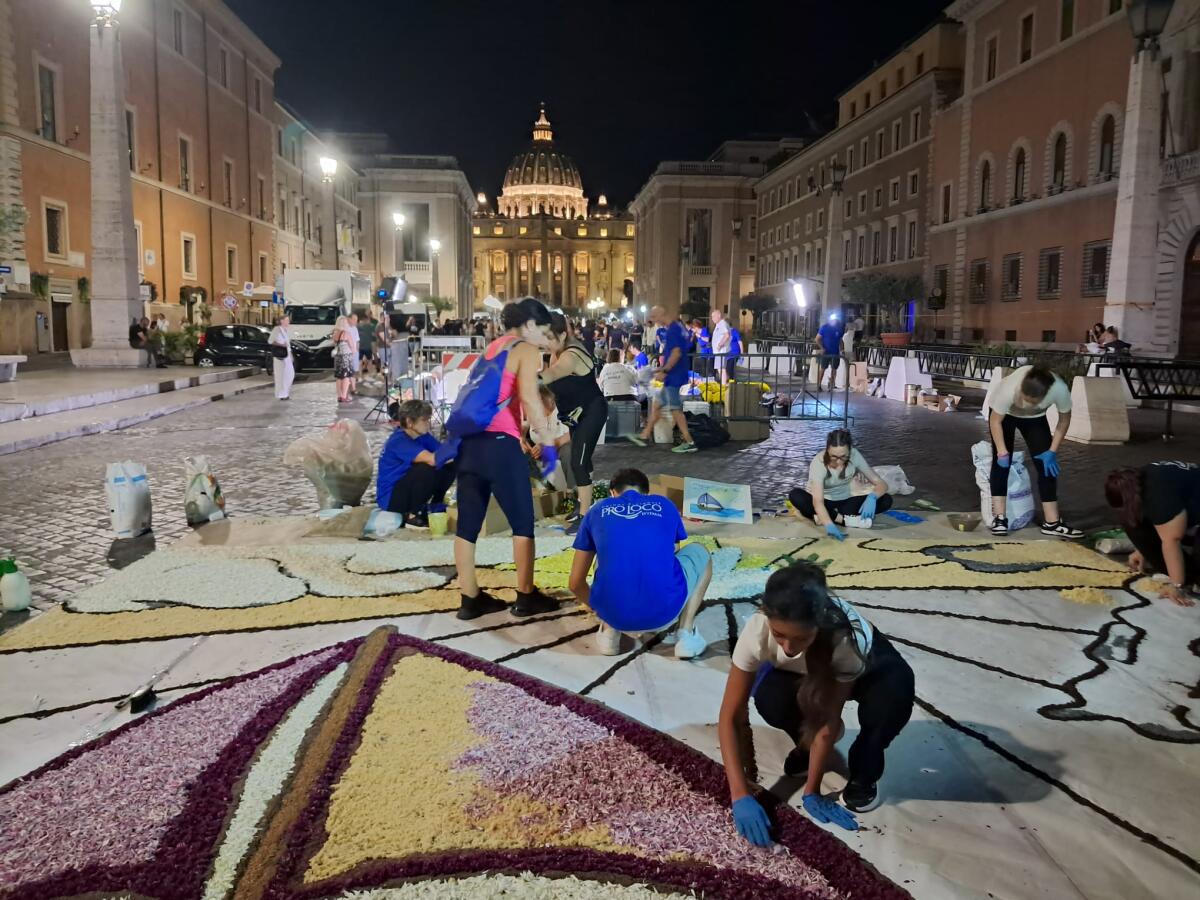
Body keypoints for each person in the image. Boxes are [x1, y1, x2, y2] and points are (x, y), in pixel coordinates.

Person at [718, 562, 914, 844]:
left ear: (817, 626)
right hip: (810, 669)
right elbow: (730, 716)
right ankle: (805, 746)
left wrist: (812, 791)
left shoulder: (845, 641)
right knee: (771, 698)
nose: (788, 648)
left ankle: (865, 771)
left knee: (891, 701)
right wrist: (739, 795)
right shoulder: (757, 630)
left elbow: (827, 718)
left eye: (800, 638)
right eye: (779, 635)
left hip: (871, 666)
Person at [454, 297, 562, 620]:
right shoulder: (525, 350)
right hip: (500, 445)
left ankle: (470, 598)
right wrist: (548, 442)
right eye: (542, 330)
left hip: (469, 444)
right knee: (522, 523)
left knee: (468, 524)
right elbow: (530, 398)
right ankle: (526, 596)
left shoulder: (491, 349)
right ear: (528, 325)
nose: (544, 338)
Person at [569, 468, 711, 659]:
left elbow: (575, 583)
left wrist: (601, 610)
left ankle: (609, 631)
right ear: (647, 493)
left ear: (612, 492)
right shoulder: (665, 505)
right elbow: (673, 552)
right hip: (666, 613)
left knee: (605, 559)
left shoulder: (596, 510)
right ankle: (686, 633)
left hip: (614, 615)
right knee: (701, 552)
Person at [988, 365, 1083, 538]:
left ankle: (1052, 523)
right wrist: (1002, 452)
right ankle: (1000, 518)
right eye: (1024, 398)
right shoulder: (1008, 389)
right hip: (1005, 416)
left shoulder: (1059, 389)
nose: (1025, 405)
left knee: (1046, 467)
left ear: (1045, 396)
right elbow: (995, 421)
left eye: (1032, 402)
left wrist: (1052, 451)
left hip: (1035, 419)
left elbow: (1064, 420)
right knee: (1001, 465)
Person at [545, 313, 609, 528]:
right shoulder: (555, 353)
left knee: (578, 462)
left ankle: (585, 517)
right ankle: (583, 504)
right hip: (576, 415)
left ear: (563, 335)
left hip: (592, 410)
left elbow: (553, 374)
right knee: (582, 460)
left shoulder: (571, 355)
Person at [1105, 463, 1199, 606]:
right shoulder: (1137, 481)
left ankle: (1189, 577)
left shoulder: (1159, 497)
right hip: (1185, 504)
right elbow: (1140, 520)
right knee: (1131, 522)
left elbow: (1172, 540)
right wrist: (1143, 549)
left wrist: (1176, 585)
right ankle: (1188, 575)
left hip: (1191, 510)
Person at [789, 429, 893, 539]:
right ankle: (843, 520)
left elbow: (881, 483)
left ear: (850, 450)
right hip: (824, 502)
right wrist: (829, 525)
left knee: (886, 500)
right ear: (827, 450)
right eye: (834, 456)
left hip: (844, 502)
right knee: (796, 495)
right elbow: (818, 502)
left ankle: (821, 517)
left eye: (843, 456)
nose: (838, 461)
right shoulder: (818, 463)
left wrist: (872, 497)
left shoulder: (854, 455)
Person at [626, 307, 698, 453]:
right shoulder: (676, 328)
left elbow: (676, 353)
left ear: (662, 314)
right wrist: (660, 369)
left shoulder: (673, 330)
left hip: (674, 376)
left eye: (654, 316)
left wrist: (665, 370)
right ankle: (645, 435)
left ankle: (689, 442)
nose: (653, 319)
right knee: (657, 405)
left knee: (675, 409)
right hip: (673, 375)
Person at [377, 399, 455, 529]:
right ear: (409, 422)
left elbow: (444, 454)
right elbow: (433, 459)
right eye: (424, 420)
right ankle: (412, 515)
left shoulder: (423, 437)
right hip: (391, 498)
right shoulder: (399, 441)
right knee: (426, 469)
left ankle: (436, 503)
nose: (428, 424)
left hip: (406, 488)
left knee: (450, 466)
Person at [268, 314, 294, 400]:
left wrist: (291, 355)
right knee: (280, 376)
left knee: (290, 374)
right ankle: (282, 394)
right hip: (280, 355)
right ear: (282, 321)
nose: (288, 322)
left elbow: (288, 344)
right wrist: (282, 345)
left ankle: (285, 392)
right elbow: (270, 341)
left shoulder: (286, 330)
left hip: (287, 354)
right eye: (287, 320)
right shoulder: (277, 329)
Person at [816, 313, 844, 388]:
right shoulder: (824, 327)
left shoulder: (839, 329)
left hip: (835, 353)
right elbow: (817, 339)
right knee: (823, 368)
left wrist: (842, 350)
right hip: (826, 352)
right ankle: (818, 384)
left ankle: (832, 384)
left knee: (834, 368)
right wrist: (822, 348)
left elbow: (841, 341)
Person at [331, 315, 355, 403]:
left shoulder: (335, 333)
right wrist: (353, 354)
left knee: (339, 377)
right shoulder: (346, 333)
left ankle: (339, 396)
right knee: (346, 377)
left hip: (338, 357)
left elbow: (334, 344)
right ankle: (344, 396)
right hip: (346, 357)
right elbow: (352, 346)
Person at [711, 309, 732, 386]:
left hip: (721, 351)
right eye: (712, 316)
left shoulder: (722, 324)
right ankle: (727, 381)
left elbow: (727, 335)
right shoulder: (719, 324)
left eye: (714, 316)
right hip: (719, 351)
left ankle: (724, 385)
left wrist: (720, 344)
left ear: (719, 315)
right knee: (719, 368)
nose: (712, 318)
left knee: (721, 368)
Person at [357, 313, 376, 378]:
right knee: (370, 361)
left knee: (360, 361)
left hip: (360, 346)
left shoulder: (357, 327)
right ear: (366, 319)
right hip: (368, 346)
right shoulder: (371, 326)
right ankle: (370, 375)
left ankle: (360, 376)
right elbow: (374, 335)